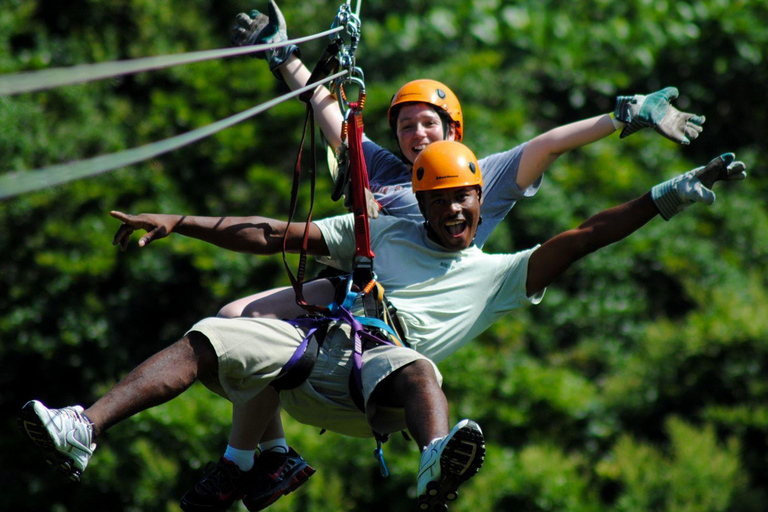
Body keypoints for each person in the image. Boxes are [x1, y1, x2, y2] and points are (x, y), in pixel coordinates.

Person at [171, 2, 710, 510]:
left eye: (428, 123)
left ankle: (256, 458)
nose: (416, 133)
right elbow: (329, 111)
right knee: (235, 318)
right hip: (350, 292)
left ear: (454, 130)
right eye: (406, 126)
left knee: (252, 329)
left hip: (397, 310)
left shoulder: (476, 175)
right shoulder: (383, 170)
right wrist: (284, 57)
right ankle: (274, 456)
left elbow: (547, 146)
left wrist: (625, 116)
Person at [20, 141, 746, 511]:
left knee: (417, 367)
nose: (459, 213)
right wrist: (179, 222)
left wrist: (668, 194)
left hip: (378, 390)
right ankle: (85, 428)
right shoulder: (383, 233)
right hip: (317, 346)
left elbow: (586, 233)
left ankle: (437, 459)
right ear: (422, 204)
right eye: (445, 203)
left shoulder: (498, 275)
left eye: (468, 200)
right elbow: (273, 232)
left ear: (478, 202)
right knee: (208, 336)